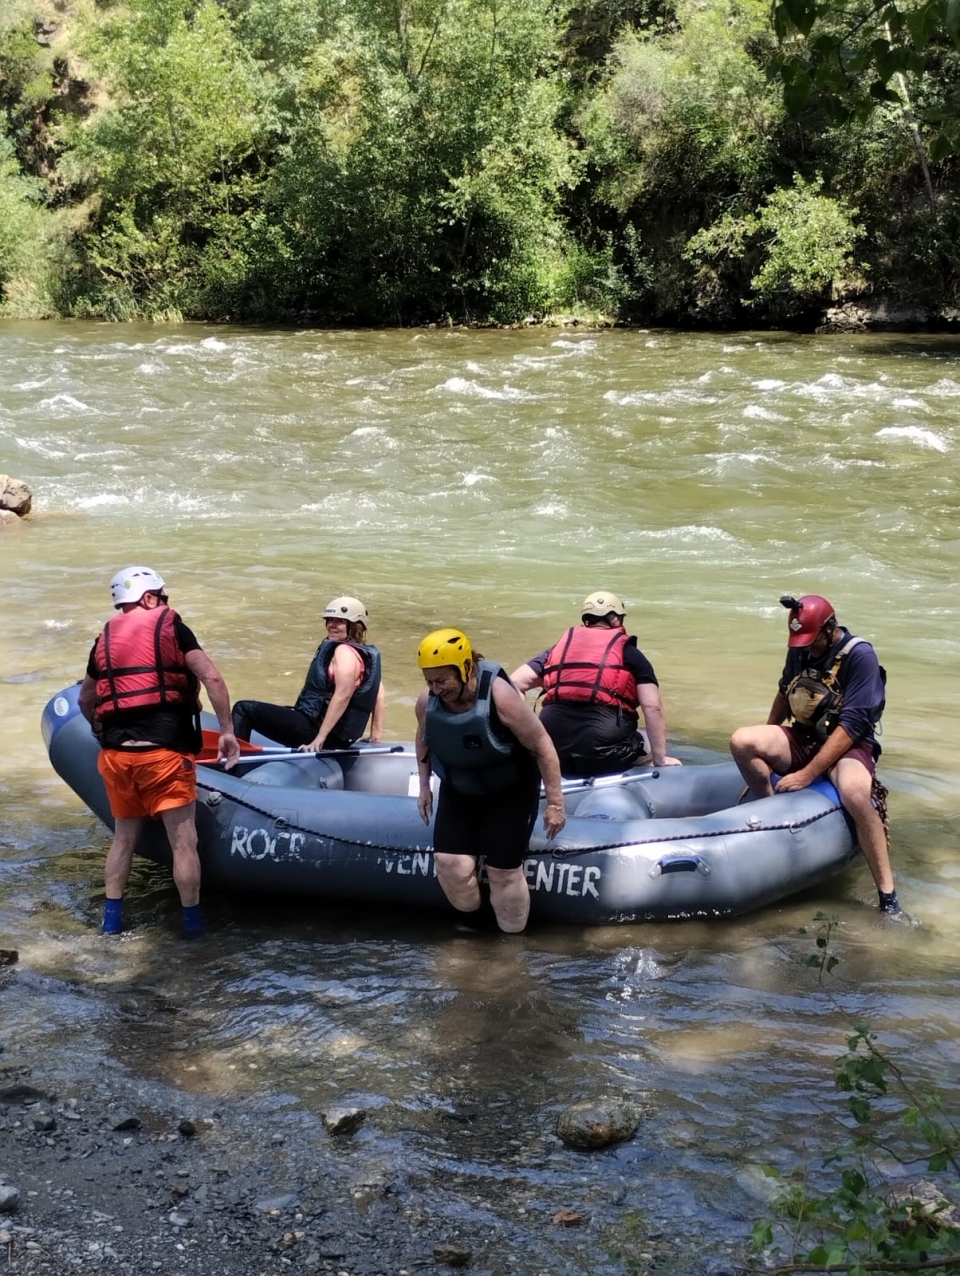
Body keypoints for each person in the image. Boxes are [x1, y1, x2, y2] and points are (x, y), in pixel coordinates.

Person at [77, 565, 241, 938]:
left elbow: (87, 699)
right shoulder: (173, 627)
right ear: (149, 598)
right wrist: (227, 731)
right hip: (164, 756)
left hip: (117, 758)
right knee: (184, 844)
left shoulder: (104, 639)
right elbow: (212, 678)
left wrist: (100, 731)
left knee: (123, 840)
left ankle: (111, 925)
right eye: (162, 597)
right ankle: (193, 927)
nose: (166, 603)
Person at [729, 593, 902, 915]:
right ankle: (773, 818)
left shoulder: (860, 656)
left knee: (855, 794)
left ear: (830, 628)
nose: (805, 648)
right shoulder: (800, 648)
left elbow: (852, 726)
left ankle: (887, 895)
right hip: (804, 736)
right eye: (801, 643)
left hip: (849, 744)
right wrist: (767, 740)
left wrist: (807, 774)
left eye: (811, 642)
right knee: (742, 741)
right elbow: (785, 692)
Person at [415, 628, 566, 934]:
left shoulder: (500, 696)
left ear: (465, 669)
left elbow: (542, 745)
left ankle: (511, 942)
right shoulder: (426, 701)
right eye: (429, 681)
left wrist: (556, 803)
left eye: (442, 680)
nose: (435, 689)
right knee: (449, 862)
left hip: (510, 786)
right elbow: (424, 739)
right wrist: (424, 787)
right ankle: (473, 930)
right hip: (460, 784)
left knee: (502, 871)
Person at [509, 591, 682, 777]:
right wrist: (660, 758)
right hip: (605, 754)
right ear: (615, 619)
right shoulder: (631, 655)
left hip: (552, 749)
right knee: (646, 743)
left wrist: (529, 733)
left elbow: (513, 683)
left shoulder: (557, 651)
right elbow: (652, 707)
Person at [231, 596, 385, 751]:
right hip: (339, 737)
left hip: (317, 731)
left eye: (339, 621)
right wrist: (375, 736)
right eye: (330, 620)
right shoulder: (364, 655)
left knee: (244, 709)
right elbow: (378, 692)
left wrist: (320, 738)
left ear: (355, 626)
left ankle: (233, 761)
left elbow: (344, 693)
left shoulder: (343, 651)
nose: (332, 625)